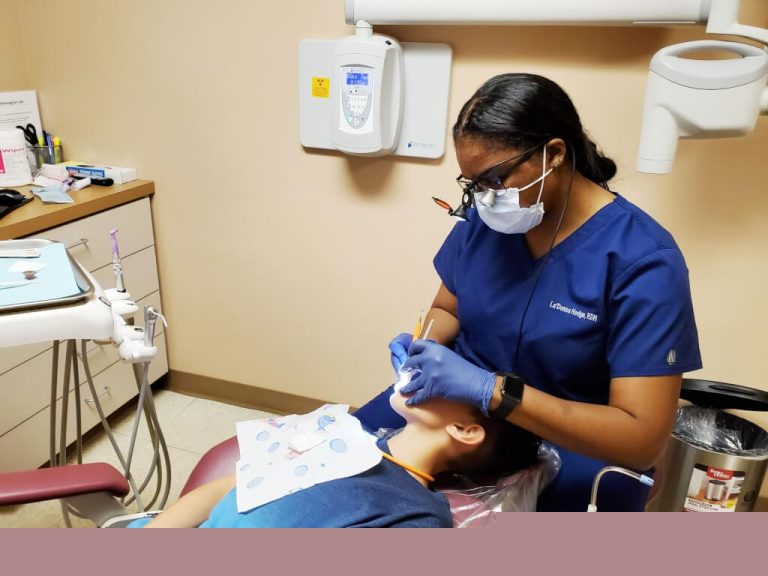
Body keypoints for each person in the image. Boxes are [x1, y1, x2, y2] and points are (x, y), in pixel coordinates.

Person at [357, 73, 702, 512]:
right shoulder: (492, 219)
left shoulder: (644, 261)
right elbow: (447, 307)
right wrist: (425, 346)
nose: (485, 198)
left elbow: (639, 441)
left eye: (495, 179)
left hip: (576, 438)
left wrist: (495, 391)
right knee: (344, 465)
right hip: (466, 410)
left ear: (554, 154)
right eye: (473, 184)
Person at [128, 395, 540, 528]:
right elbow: (230, 488)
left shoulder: (420, 513)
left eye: (450, 377)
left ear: (466, 431)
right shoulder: (338, 433)